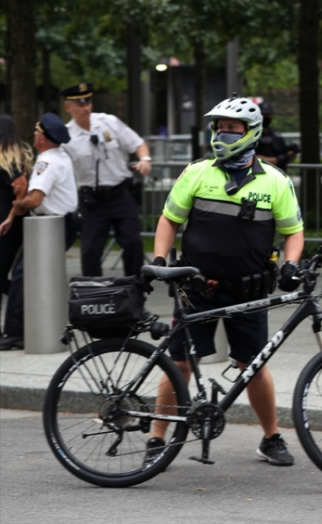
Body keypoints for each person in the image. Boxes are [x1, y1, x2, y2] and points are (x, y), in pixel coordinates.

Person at [146, 95, 305, 467]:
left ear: (251, 132)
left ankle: (271, 438)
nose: (223, 135)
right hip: (196, 287)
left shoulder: (276, 181)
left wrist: (291, 264)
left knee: (251, 364)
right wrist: (158, 259)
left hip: (247, 290)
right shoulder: (197, 172)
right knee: (180, 363)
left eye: (232, 129)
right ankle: (156, 437)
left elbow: (293, 232)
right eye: (219, 128)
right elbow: (170, 219)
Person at [0, 114, 80, 350]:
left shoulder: (47, 162)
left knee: (24, 277)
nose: (33, 135)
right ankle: (23, 328)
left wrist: (18, 205)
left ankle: (14, 333)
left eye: (37, 132)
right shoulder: (59, 157)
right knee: (26, 276)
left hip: (51, 227)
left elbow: (35, 199)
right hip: (58, 225)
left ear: (43, 138)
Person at [61, 82, 151, 277]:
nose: (85, 107)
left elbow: (138, 143)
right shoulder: (66, 137)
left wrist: (145, 159)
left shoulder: (109, 122)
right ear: (68, 107)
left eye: (88, 102)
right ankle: (93, 299)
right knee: (90, 249)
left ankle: (136, 297)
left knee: (133, 243)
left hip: (121, 194)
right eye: (79, 104)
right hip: (91, 201)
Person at [0, 115, 32, 322]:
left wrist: (10, 217)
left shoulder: (7, 159)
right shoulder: (15, 157)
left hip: (6, 228)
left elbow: (21, 187)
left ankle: (28, 304)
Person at [254, 100, 299, 172]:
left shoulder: (276, 134)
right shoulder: (253, 134)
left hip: (280, 174)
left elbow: (287, 159)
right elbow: (253, 158)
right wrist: (277, 160)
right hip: (262, 172)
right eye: (263, 115)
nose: (266, 117)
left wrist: (292, 153)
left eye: (268, 115)